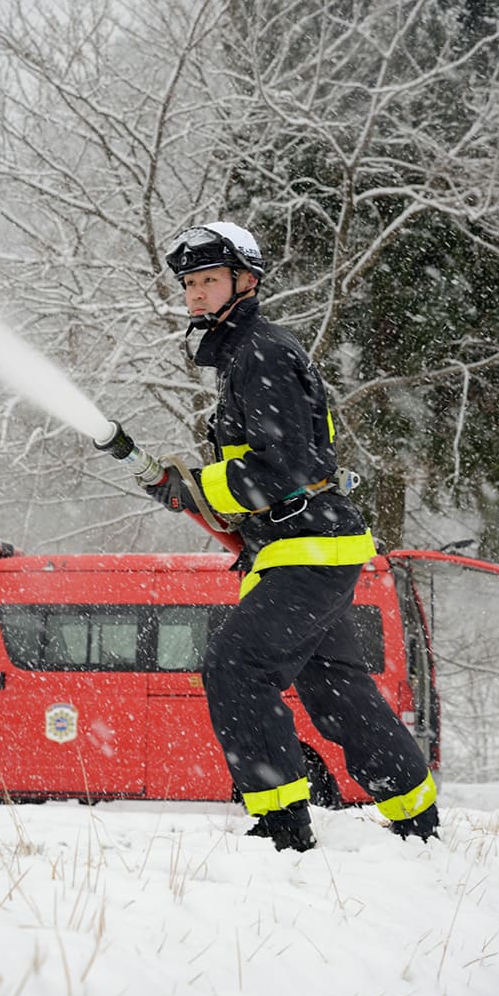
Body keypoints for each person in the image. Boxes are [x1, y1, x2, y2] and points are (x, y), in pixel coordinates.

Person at [142, 221, 439, 852]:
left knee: (236, 666)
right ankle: (417, 819)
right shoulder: (245, 357)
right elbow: (273, 472)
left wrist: (202, 486)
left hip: (311, 551)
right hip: (305, 548)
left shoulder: (262, 352)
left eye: (209, 280)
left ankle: (282, 826)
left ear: (245, 282)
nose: (195, 294)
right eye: (190, 283)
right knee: (337, 692)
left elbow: (292, 467)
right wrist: (196, 492)